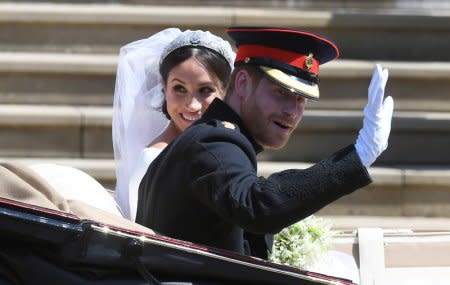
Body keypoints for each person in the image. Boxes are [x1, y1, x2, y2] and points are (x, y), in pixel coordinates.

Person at [136, 27, 394, 259]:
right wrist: (357, 157)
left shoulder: (217, 139)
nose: (292, 111)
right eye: (281, 93)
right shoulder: (213, 141)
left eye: (301, 100)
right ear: (242, 84)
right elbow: (255, 206)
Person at [112, 28, 235, 220]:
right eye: (179, 88)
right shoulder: (153, 160)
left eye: (205, 90)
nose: (192, 105)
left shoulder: (228, 148)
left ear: (226, 90)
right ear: (164, 86)